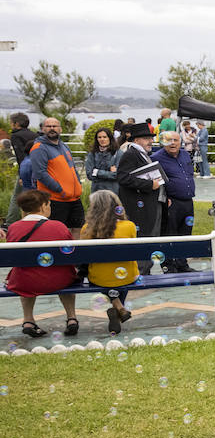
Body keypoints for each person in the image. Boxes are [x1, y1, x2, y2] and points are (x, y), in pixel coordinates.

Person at [6, 189, 79, 338]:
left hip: (26, 282)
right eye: (49, 204)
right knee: (66, 271)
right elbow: (71, 253)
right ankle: (71, 318)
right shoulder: (58, 226)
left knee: (23, 271)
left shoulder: (13, 228)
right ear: (42, 206)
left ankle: (28, 320)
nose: (50, 208)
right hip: (59, 280)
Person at [81, 189, 137, 334]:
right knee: (118, 278)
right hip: (127, 276)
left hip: (99, 278)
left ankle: (117, 307)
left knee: (104, 276)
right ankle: (119, 309)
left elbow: (84, 257)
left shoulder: (87, 229)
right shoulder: (129, 226)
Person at [114, 122, 165, 272]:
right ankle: (141, 272)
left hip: (149, 202)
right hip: (138, 206)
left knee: (150, 237)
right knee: (143, 237)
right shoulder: (130, 154)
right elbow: (123, 178)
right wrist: (149, 185)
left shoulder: (142, 154)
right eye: (146, 138)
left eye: (151, 138)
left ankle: (145, 270)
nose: (150, 141)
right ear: (136, 140)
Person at [29, 117, 85, 235]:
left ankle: (75, 254)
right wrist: (60, 190)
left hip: (74, 198)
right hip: (56, 199)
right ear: (43, 129)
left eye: (55, 126)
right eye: (48, 126)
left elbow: (73, 168)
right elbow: (40, 174)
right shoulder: (39, 148)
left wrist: (79, 185)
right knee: (57, 233)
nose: (52, 128)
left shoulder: (64, 146)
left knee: (77, 229)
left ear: (60, 129)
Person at [151, 131, 196, 271]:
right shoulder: (156, 158)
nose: (173, 143)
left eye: (176, 140)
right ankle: (169, 266)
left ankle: (182, 264)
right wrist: (165, 199)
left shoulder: (185, 154)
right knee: (170, 234)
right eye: (169, 140)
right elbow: (153, 181)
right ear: (163, 142)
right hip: (171, 202)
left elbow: (189, 174)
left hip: (188, 200)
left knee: (186, 234)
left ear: (180, 141)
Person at [6, 113, 37, 224]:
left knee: (17, 197)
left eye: (11, 123)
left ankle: (10, 222)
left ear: (16, 124)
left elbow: (20, 156)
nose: (10, 125)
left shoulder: (16, 135)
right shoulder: (34, 135)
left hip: (26, 170)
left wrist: (22, 174)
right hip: (36, 170)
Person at [84, 127, 120, 195]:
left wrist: (97, 172)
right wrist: (109, 173)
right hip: (96, 192)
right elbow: (89, 174)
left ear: (110, 138)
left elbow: (117, 175)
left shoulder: (118, 153)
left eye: (104, 137)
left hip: (113, 192)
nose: (102, 139)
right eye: (99, 137)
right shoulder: (92, 153)